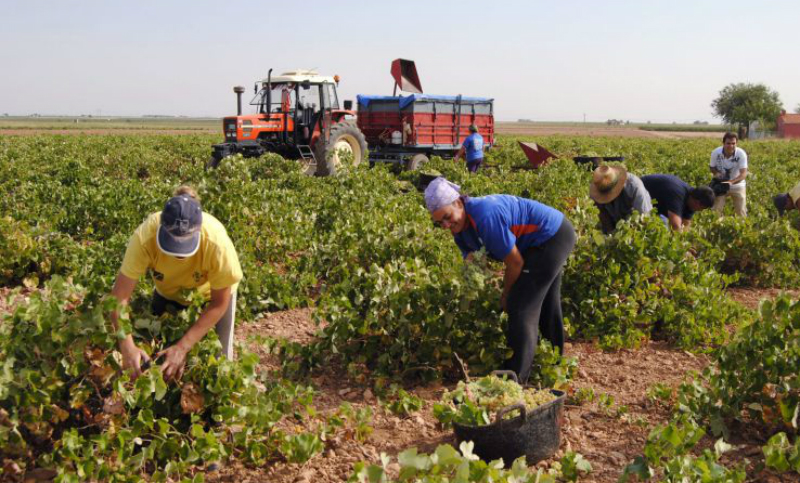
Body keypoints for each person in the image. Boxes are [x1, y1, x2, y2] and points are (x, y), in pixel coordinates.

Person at [424, 177, 576, 383]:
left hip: (552, 236)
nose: (446, 225)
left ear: (459, 203)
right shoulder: (459, 229)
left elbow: (515, 263)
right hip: (535, 243)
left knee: (520, 306)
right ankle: (555, 366)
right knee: (546, 301)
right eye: (439, 222)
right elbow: (474, 261)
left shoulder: (486, 216)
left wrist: (505, 294)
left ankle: (515, 379)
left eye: (447, 217)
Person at [109, 186, 243, 381]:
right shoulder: (145, 237)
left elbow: (219, 303)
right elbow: (119, 298)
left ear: (198, 231)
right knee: (154, 354)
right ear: (162, 227)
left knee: (220, 361)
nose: (180, 254)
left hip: (209, 297)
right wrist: (127, 346)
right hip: (168, 292)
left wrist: (183, 347)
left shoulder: (216, 243)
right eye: (173, 243)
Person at [589, 164, 652, 234]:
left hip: (634, 225)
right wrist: (611, 232)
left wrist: (631, 235)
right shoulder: (599, 187)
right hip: (616, 224)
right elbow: (603, 213)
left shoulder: (634, 187)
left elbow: (644, 219)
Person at [641, 174, 715, 232]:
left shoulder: (692, 199)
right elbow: (675, 225)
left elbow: (685, 225)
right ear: (698, 203)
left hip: (653, 206)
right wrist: (682, 248)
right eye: (702, 208)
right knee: (658, 228)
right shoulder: (678, 195)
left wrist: (687, 244)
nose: (700, 211)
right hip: (636, 197)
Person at [710, 132, 748, 217]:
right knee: (716, 210)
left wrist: (732, 182)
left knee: (741, 211)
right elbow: (712, 167)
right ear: (723, 143)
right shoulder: (715, 153)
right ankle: (716, 227)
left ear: (736, 144)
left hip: (738, 185)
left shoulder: (741, 154)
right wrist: (717, 173)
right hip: (721, 185)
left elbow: (743, 173)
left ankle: (742, 228)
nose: (731, 146)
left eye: (733, 143)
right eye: (728, 143)